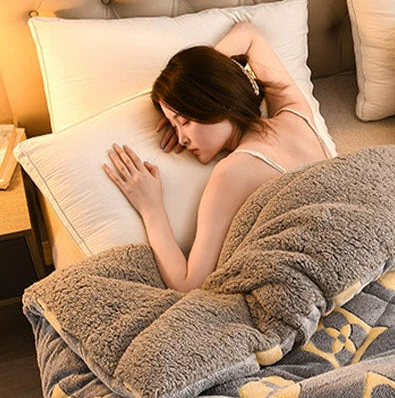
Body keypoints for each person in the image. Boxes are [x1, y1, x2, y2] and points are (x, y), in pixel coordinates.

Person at [103, 22, 331, 292]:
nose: (181, 138)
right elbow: (250, 34)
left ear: (213, 100)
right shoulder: (296, 112)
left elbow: (189, 284)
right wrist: (188, 101)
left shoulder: (231, 173)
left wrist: (151, 207)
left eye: (184, 121)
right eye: (175, 126)